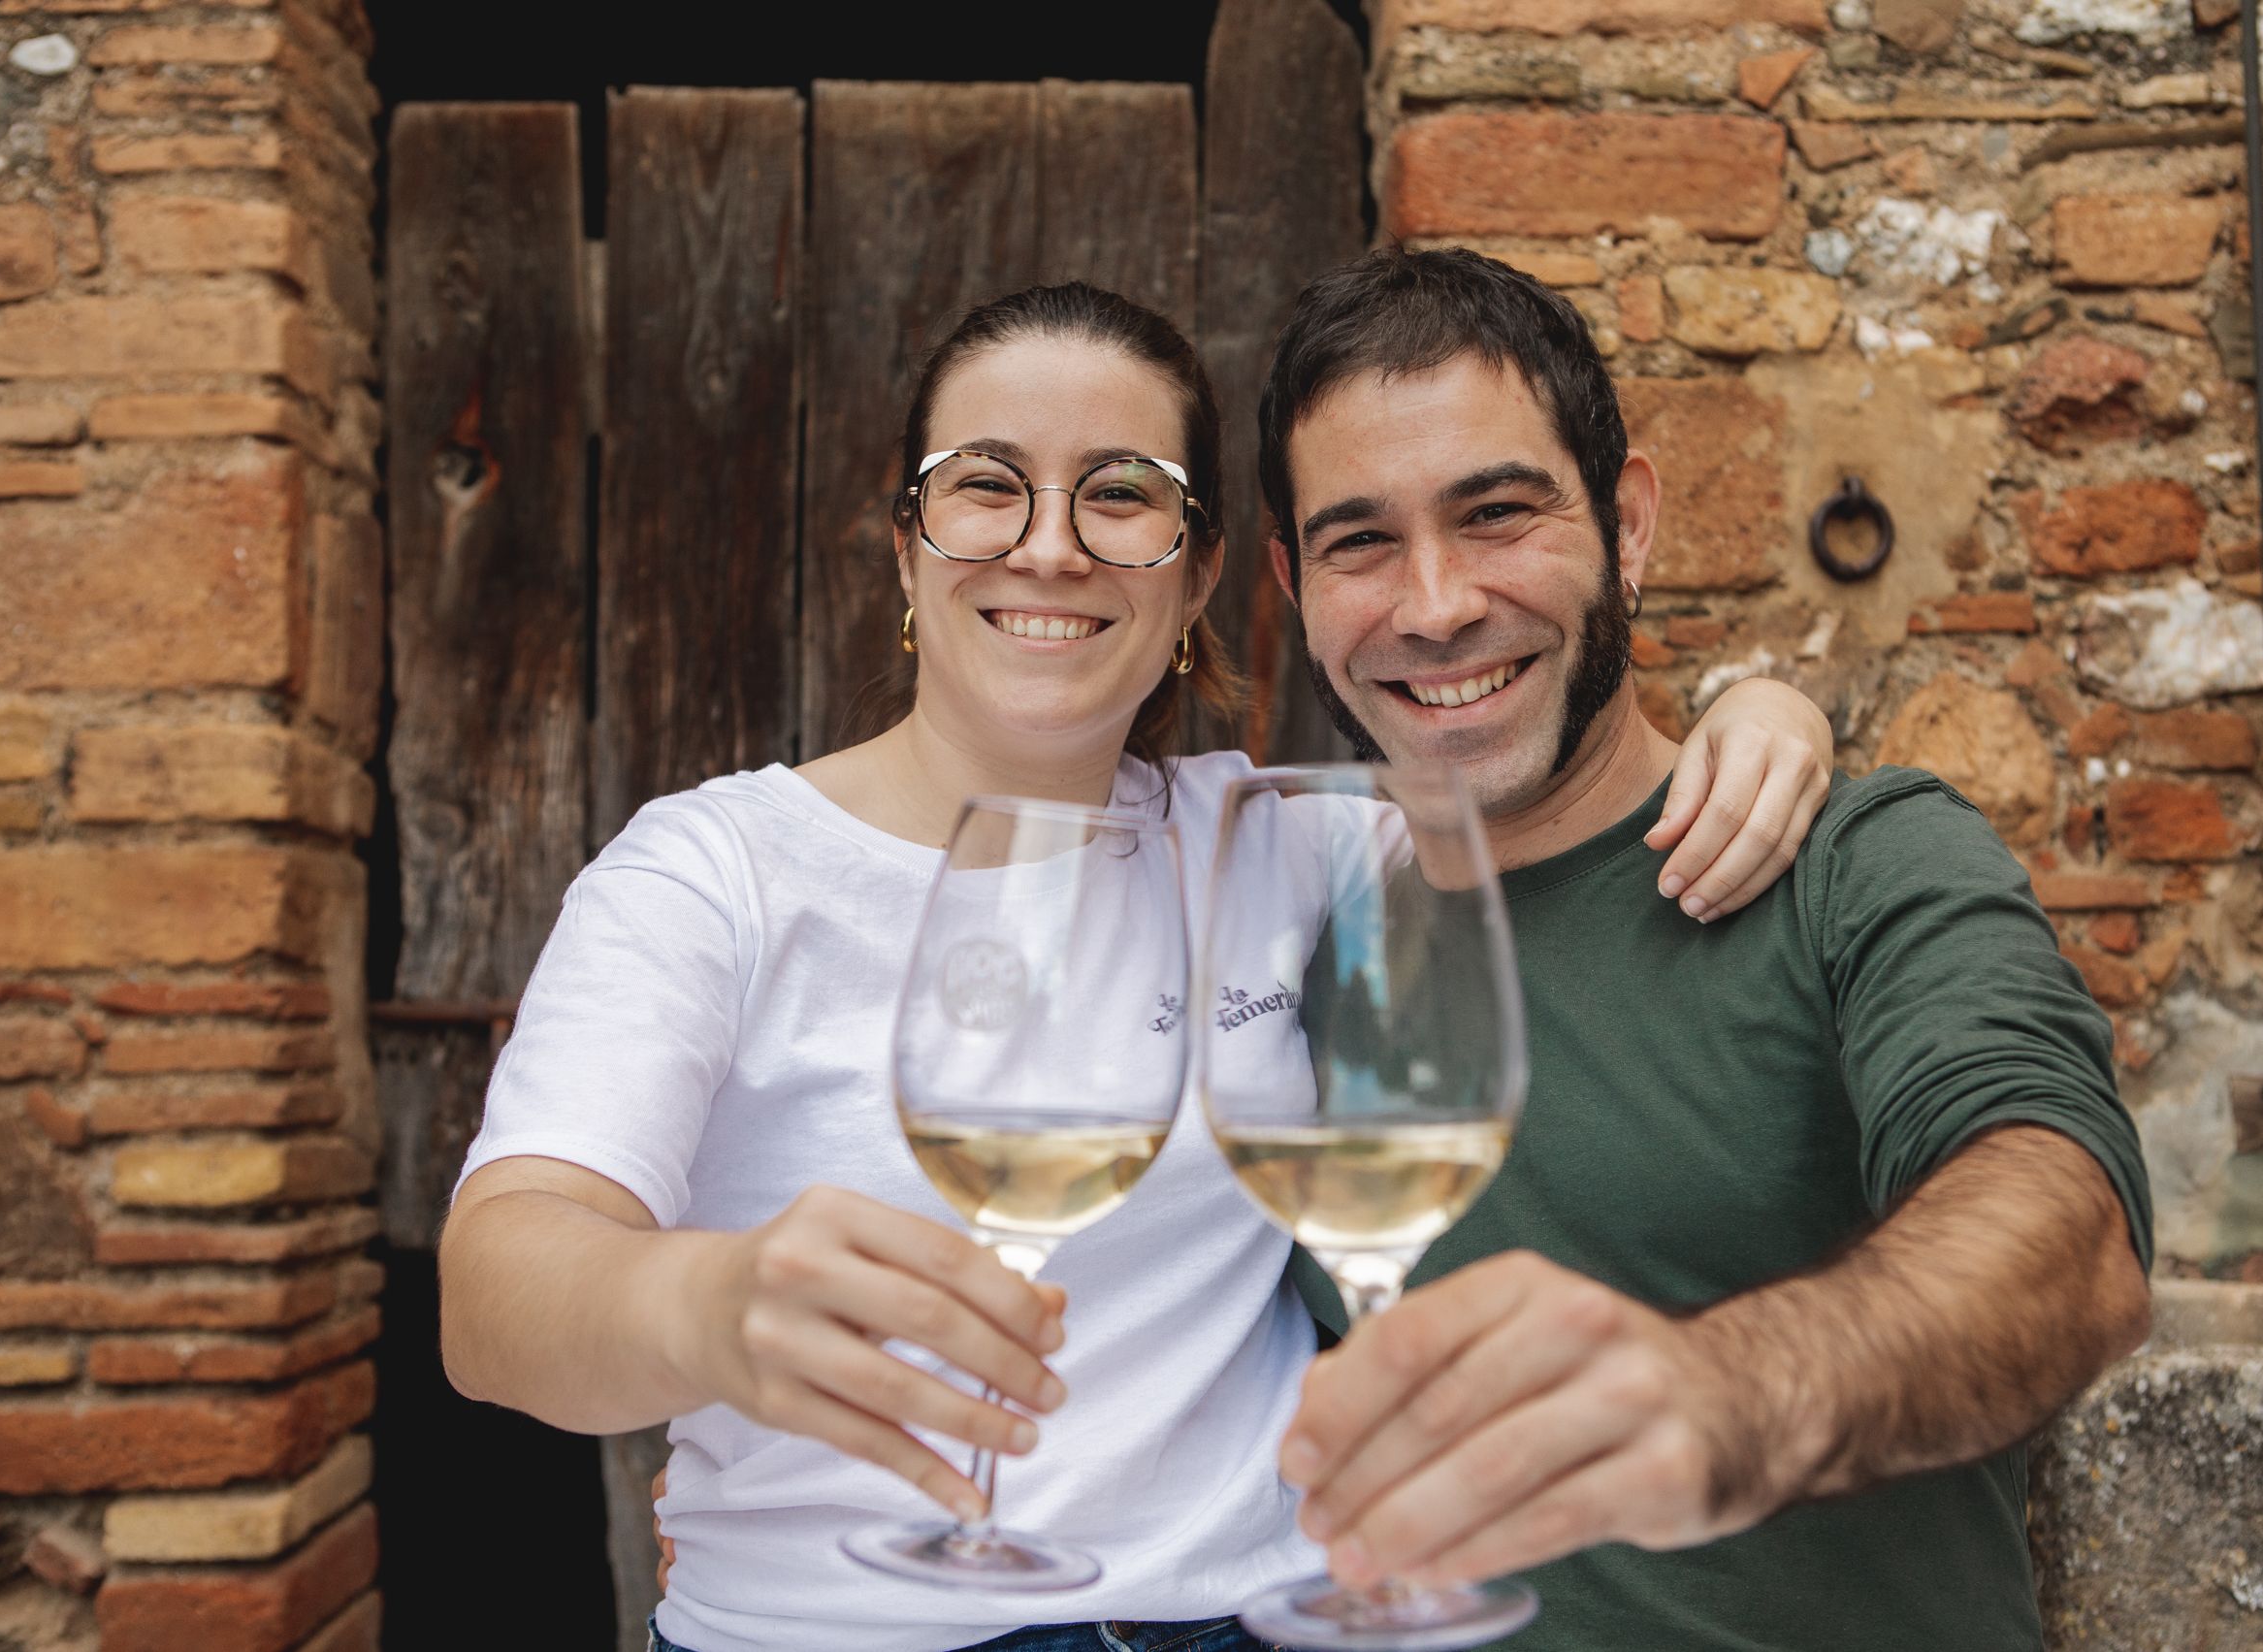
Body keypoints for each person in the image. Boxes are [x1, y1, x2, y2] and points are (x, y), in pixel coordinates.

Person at [437, 280, 1841, 1652]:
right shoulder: (716, 873)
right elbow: (498, 1295)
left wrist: (1763, 711)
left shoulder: (1281, 851)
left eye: (1121, 492)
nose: (1051, 547)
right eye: (987, 484)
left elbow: (1553, 808)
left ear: (1200, 573)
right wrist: (708, 1305)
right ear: (907, 547)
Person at [1248, 246, 2155, 1650]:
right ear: (1293, 582)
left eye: (1497, 514)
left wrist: (1717, 1394)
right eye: (1360, 541)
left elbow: (2066, 1241)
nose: (1431, 606)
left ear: (1632, 523)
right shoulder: (1286, 914)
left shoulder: (1858, 862)